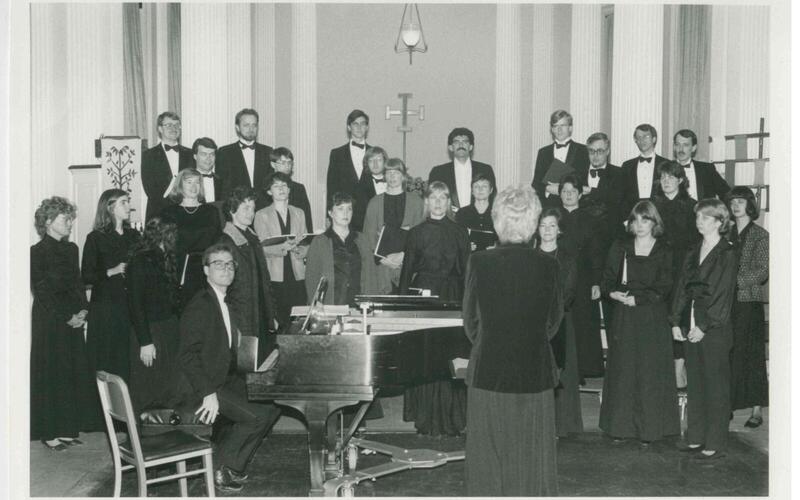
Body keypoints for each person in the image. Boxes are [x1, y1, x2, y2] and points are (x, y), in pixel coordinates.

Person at [462, 185, 562, 496]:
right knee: (531, 452)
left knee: (489, 454)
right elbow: (553, 323)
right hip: (535, 371)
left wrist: (491, 342)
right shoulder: (549, 264)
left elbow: (471, 323)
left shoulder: (479, 262)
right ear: (533, 223)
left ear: (497, 221)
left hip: (489, 370)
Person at [172, 243, 281, 492]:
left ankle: (233, 465)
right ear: (206, 270)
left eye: (230, 264)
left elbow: (227, 348)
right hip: (200, 384)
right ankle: (219, 469)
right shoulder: (200, 304)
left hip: (222, 377)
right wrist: (208, 393)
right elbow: (187, 357)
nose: (226, 268)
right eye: (218, 264)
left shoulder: (223, 301)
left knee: (273, 406)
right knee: (255, 417)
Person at [599, 201, 680, 445]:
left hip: (652, 316)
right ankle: (621, 427)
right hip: (625, 316)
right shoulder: (620, 246)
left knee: (649, 371)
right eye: (636, 220)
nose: (640, 225)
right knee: (623, 369)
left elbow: (666, 285)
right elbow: (607, 280)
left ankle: (650, 429)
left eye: (645, 220)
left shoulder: (664, 249)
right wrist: (612, 293)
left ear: (655, 223)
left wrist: (640, 299)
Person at [399, 181, 470, 436]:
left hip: (453, 297)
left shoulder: (460, 232)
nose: (438, 202)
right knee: (426, 355)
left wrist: (468, 304)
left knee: (452, 355)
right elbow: (407, 271)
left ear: (449, 201)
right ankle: (425, 416)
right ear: (427, 201)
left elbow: (467, 272)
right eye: (434, 197)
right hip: (425, 297)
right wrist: (404, 306)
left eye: (443, 197)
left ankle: (454, 417)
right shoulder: (416, 233)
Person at [670, 199, 738, 459]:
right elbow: (682, 287)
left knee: (715, 384)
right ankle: (696, 436)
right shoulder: (693, 249)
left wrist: (704, 326)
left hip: (714, 327)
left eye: (706, 218)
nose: (700, 221)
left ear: (720, 222)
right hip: (690, 321)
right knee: (696, 383)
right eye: (698, 216)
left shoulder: (727, 252)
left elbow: (722, 293)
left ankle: (716, 439)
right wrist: (676, 321)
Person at [31, 197, 94, 451]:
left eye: (70, 218)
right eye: (64, 219)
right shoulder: (36, 252)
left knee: (71, 372)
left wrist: (82, 311)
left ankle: (67, 429)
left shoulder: (72, 249)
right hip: (50, 319)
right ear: (48, 222)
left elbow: (78, 284)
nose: (70, 223)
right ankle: (49, 432)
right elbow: (42, 291)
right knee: (51, 374)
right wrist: (65, 316)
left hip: (73, 318)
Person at [82, 189, 141, 383]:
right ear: (110, 207)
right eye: (123, 202)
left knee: (127, 358)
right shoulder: (95, 238)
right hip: (106, 309)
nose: (128, 206)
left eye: (128, 201)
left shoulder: (134, 236)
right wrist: (111, 271)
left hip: (129, 305)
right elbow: (86, 276)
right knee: (107, 360)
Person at [534, 208, 582, 437]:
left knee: (561, 374)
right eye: (543, 225)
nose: (547, 230)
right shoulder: (529, 256)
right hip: (532, 323)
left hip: (560, 321)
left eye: (552, 225)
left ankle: (561, 426)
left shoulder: (568, 259)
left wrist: (549, 314)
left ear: (559, 230)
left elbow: (568, 293)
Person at [127, 216, 181, 412]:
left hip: (167, 328)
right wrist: (145, 342)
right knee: (148, 386)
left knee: (167, 385)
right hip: (150, 331)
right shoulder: (141, 260)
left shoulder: (165, 257)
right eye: (171, 235)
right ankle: (142, 438)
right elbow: (135, 304)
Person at [651, 161, 698, 388]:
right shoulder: (651, 205)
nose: (666, 181)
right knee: (657, 317)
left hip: (682, 270)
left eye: (671, 176)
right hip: (657, 271)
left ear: (681, 179)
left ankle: (679, 369)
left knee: (677, 317)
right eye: (663, 177)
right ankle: (660, 368)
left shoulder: (692, 206)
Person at [557, 175, 608, 379]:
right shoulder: (552, 217)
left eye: (572, 191)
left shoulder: (591, 219)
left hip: (584, 277)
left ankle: (585, 368)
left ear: (579, 194)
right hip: (559, 277)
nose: (568, 195)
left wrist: (597, 282)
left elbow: (597, 252)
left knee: (583, 322)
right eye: (564, 191)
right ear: (559, 194)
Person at [726, 187, 769, 428]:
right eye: (733, 202)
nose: (736, 206)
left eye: (741, 202)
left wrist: (735, 282)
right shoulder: (725, 233)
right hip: (726, 302)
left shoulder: (761, 235)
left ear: (750, 206)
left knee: (751, 355)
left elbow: (762, 271)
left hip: (748, 301)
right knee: (730, 353)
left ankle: (756, 409)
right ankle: (729, 403)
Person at [220, 187, 277, 346]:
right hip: (241, 316)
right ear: (232, 210)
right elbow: (223, 290)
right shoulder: (226, 241)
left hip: (259, 312)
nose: (251, 213)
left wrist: (271, 313)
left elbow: (264, 279)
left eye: (253, 208)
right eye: (246, 208)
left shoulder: (252, 237)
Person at [160, 168, 222, 308]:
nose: (194, 186)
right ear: (180, 185)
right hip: (181, 270)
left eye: (197, 182)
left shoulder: (211, 211)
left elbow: (218, 241)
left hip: (207, 268)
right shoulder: (169, 212)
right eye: (189, 182)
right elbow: (166, 246)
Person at [362, 158, 425, 294]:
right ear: (384, 176)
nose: (392, 176)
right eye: (388, 172)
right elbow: (368, 236)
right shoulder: (374, 203)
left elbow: (421, 236)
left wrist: (403, 255)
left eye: (396, 172)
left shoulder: (416, 202)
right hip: (381, 269)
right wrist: (383, 259)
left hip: (409, 268)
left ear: (403, 175)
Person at [253, 172, 308, 329]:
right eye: (276, 186)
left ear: (289, 189)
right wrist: (284, 247)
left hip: (297, 272)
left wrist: (303, 250)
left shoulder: (299, 212)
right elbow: (262, 248)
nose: (281, 189)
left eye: (284, 185)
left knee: (298, 319)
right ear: (269, 191)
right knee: (280, 319)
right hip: (275, 274)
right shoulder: (261, 215)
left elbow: (305, 240)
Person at [305, 192, 373, 305]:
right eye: (340, 209)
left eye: (349, 209)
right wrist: (317, 306)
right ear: (330, 213)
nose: (346, 213)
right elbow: (311, 279)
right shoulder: (320, 241)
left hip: (359, 305)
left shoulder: (362, 240)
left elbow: (371, 275)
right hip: (330, 304)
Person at [141, 111, 195, 221]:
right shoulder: (148, 155)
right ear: (160, 129)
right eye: (168, 125)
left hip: (185, 213)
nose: (173, 128)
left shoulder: (190, 154)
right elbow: (150, 190)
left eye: (176, 125)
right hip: (159, 213)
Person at [531, 110, 590, 208]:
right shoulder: (543, 152)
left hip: (575, 208)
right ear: (551, 129)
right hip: (549, 207)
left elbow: (585, 181)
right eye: (555, 126)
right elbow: (536, 184)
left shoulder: (583, 151)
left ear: (570, 128)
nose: (559, 130)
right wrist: (548, 188)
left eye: (563, 125)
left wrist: (561, 189)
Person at [216, 108, 274, 204]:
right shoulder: (225, 152)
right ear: (237, 127)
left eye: (254, 125)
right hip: (237, 208)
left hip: (263, 208)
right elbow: (223, 187)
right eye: (246, 125)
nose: (251, 129)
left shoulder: (267, 151)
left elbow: (270, 183)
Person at [429, 127, 496, 210]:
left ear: (471, 147)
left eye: (465, 142)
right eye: (456, 142)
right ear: (450, 147)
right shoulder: (438, 172)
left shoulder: (485, 169)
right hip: (449, 221)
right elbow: (432, 199)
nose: (461, 145)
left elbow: (492, 197)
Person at [581, 132, 626, 236]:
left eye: (600, 151)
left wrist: (590, 191)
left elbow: (616, 199)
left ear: (607, 151)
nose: (595, 155)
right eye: (592, 151)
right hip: (583, 234)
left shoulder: (619, 173)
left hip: (609, 234)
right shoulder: (577, 174)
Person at [620, 124, 669, 216]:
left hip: (660, 215)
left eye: (646, 136)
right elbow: (623, 196)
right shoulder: (627, 166)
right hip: (634, 215)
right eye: (638, 137)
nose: (642, 140)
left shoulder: (666, 164)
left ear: (654, 139)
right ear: (635, 141)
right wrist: (626, 219)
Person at [326, 109, 371, 209]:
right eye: (355, 124)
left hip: (370, 212)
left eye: (363, 124)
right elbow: (331, 187)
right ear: (349, 127)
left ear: (367, 127)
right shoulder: (336, 154)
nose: (359, 127)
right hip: (344, 211)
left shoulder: (375, 154)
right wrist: (329, 214)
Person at [673, 129, 731, 201]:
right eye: (677, 144)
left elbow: (727, 194)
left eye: (685, 145)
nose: (680, 149)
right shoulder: (665, 168)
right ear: (674, 147)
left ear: (693, 148)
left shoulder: (707, 169)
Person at [264, 147, 313, 231]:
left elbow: (307, 218)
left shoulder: (299, 188)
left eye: (289, 163)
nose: (287, 166)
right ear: (273, 164)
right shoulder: (266, 187)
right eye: (283, 163)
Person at [454, 173, 497, 251]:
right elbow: (456, 240)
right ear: (472, 191)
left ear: (491, 190)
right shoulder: (462, 213)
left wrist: (497, 247)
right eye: (476, 186)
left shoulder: (499, 213)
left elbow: (506, 240)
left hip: (493, 259)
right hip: (470, 260)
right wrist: (465, 246)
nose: (480, 189)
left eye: (484, 186)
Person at [352, 146, 389, 231]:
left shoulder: (393, 182)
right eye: (371, 161)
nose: (375, 164)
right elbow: (358, 219)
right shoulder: (360, 188)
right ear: (366, 164)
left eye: (379, 160)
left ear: (385, 162)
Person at [191, 137, 225, 224]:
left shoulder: (223, 181)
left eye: (212, 154)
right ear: (195, 156)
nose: (208, 158)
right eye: (204, 154)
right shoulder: (187, 182)